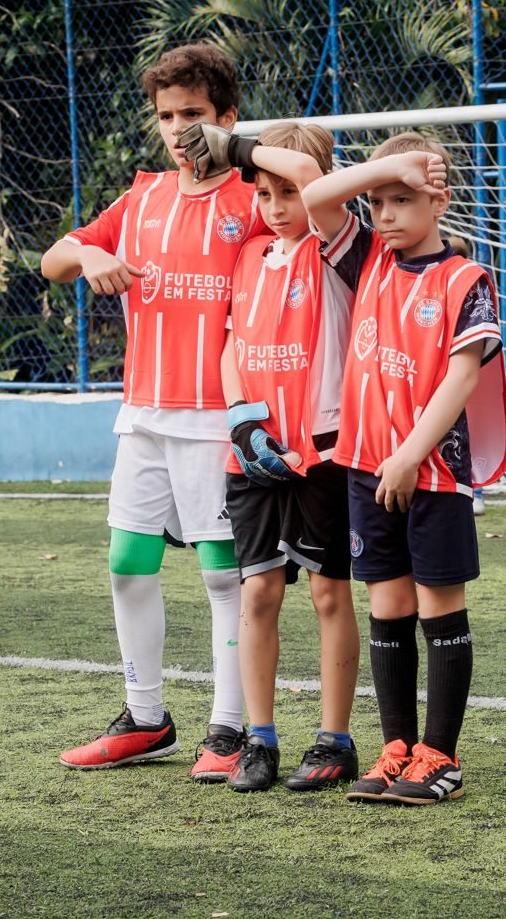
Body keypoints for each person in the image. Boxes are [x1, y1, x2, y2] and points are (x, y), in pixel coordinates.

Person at [39, 42, 268, 780]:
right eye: (166, 115)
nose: (177, 129)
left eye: (193, 114)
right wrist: (86, 254)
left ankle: (229, 730)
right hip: (142, 416)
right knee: (126, 566)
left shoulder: (253, 200)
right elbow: (51, 261)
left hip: (216, 418)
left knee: (221, 576)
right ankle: (146, 718)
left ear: (227, 118)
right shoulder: (140, 198)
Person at [302, 132, 506, 805]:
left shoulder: (464, 281)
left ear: (439, 200)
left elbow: (460, 378)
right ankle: (397, 749)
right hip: (366, 470)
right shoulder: (366, 260)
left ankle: (441, 757)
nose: (385, 214)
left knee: (438, 606)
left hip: (432, 475)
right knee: (387, 606)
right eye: (378, 201)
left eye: (402, 199)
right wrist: (385, 167)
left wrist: (410, 455)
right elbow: (312, 196)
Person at [178, 119, 361, 793]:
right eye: (264, 193)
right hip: (255, 456)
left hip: (323, 451)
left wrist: (238, 146)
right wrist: (240, 422)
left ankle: (334, 741)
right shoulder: (251, 258)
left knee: (326, 594)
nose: (278, 206)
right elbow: (231, 344)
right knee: (257, 591)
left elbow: (314, 183)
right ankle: (259, 739)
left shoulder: (336, 249)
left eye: (289, 192)